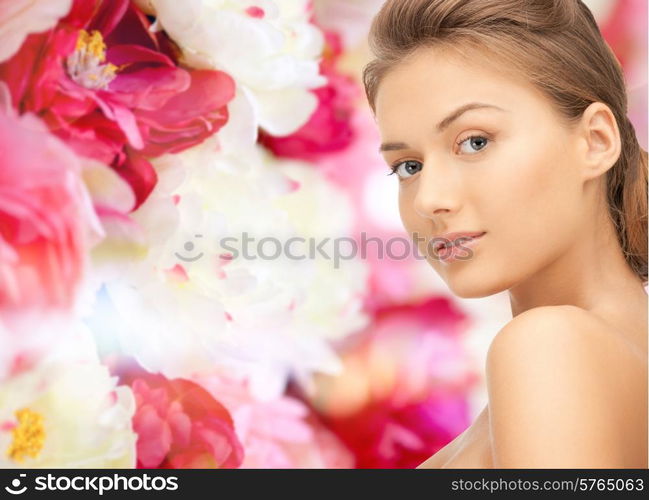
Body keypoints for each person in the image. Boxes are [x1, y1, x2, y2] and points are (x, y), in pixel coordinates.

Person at [363, 0, 648, 468]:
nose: (428, 199)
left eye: (475, 141)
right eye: (408, 166)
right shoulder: (611, 348)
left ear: (595, 140)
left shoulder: (547, 346)